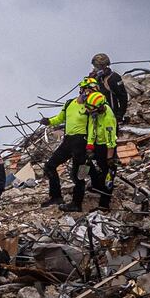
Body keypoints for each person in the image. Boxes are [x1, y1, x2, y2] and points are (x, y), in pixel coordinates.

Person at [39, 79, 92, 212]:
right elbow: (60, 118)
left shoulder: (92, 106)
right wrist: (49, 121)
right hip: (68, 141)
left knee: (78, 174)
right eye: (88, 90)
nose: (90, 93)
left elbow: (93, 127)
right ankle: (56, 196)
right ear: (82, 89)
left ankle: (77, 203)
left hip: (82, 142)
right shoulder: (70, 103)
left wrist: (91, 145)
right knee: (50, 166)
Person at [84, 92, 118, 211]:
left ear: (99, 107)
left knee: (108, 175)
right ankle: (96, 186)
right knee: (93, 166)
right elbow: (92, 129)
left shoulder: (108, 118)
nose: (88, 111)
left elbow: (111, 140)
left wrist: (110, 158)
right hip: (98, 145)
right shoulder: (95, 114)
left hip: (107, 148)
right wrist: (89, 145)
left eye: (91, 108)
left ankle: (104, 204)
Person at [90, 53, 128, 122]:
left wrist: (120, 114)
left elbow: (123, 97)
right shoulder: (96, 79)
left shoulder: (113, 78)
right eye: (94, 66)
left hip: (111, 115)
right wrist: (90, 79)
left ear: (104, 66)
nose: (95, 69)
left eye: (97, 67)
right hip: (97, 116)